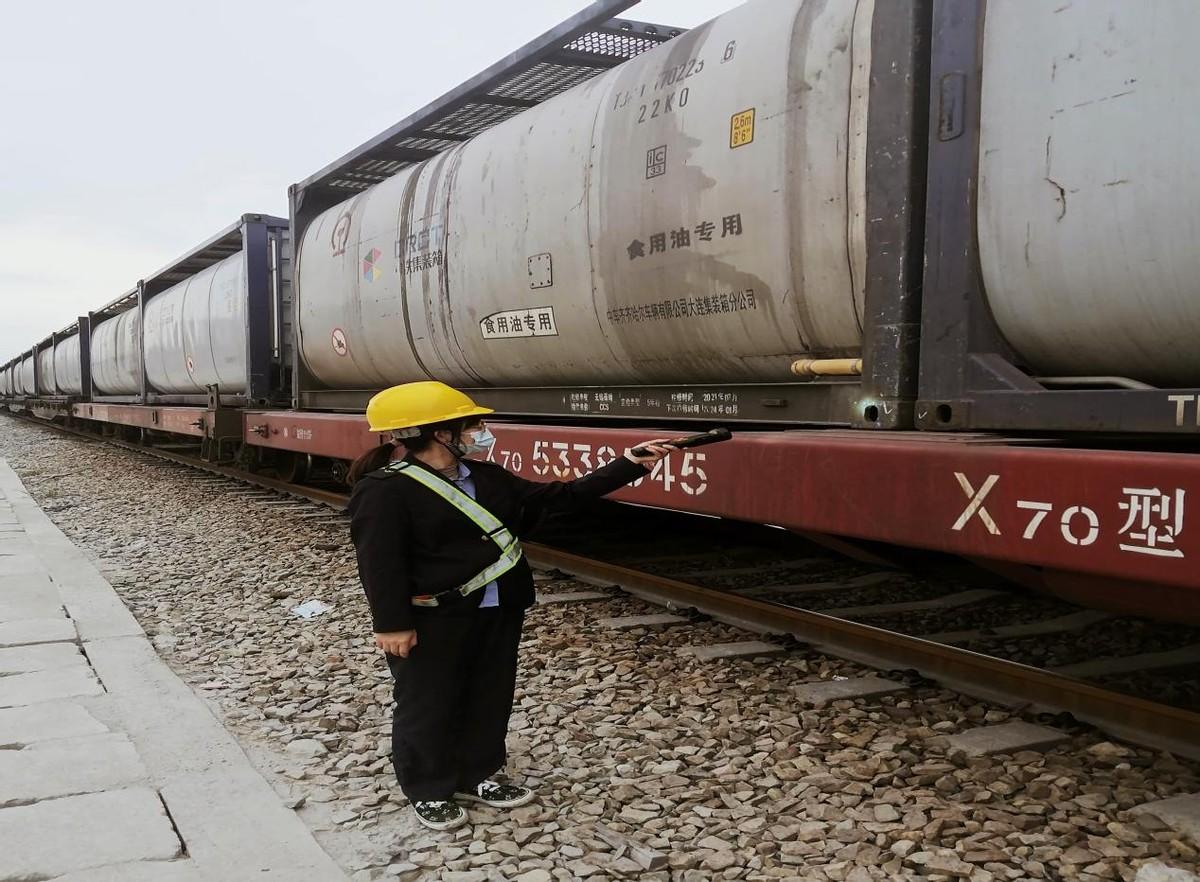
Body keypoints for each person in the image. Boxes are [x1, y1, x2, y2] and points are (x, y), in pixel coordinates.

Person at [347, 381, 675, 831]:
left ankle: (479, 773)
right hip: (433, 614)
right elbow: (379, 563)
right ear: (440, 432)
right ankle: (428, 787)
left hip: (498, 606)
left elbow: (561, 499)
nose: (481, 431)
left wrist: (627, 465)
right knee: (428, 700)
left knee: (489, 692)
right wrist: (391, 624)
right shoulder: (384, 490)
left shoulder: (486, 477)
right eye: (473, 423)